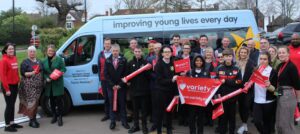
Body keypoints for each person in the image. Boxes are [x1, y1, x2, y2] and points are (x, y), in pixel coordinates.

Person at [104, 44, 130, 130]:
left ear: (119, 51)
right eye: (113, 51)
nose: (115, 52)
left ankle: (124, 121)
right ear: (111, 51)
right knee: (112, 105)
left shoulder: (123, 60)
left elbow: (126, 74)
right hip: (111, 87)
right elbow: (106, 75)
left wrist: (120, 85)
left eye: (116, 51)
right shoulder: (107, 61)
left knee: (122, 104)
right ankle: (112, 122)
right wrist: (113, 85)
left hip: (121, 87)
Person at [216, 48, 242, 134]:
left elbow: (239, 82)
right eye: (226, 56)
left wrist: (226, 81)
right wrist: (218, 94)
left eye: (230, 56)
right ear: (223, 57)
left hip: (233, 98)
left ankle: (231, 132)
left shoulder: (237, 68)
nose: (228, 58)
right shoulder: (219, 68)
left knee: (232, 118)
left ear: (232, 57)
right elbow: (215, 83)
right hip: (222, 97)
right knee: (223, 118)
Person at [126, 46, 151, 134]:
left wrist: (146, 70)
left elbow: (150, 77)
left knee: (144, 111)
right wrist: (127, 82)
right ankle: (136, 126)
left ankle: (144, 126)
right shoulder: (130, 63)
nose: (137, 53)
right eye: (136, 51)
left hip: (144, 91)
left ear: (142, 52)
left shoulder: (146, 63)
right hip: (134, 91)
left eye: (139, 51)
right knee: (135, 110)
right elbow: (127, 76)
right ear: (134, 52)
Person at [276, 46, 300, 134]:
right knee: (280, 122)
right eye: (279, 53)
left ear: (288, 54)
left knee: (286, 123)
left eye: (283, 52)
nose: (281, 54)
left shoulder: (291, 67)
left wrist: (298, 101)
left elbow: (297, 85)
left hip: (288, 95)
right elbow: (278, 83)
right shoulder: (280, 65)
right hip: (280, 94)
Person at [252, 51, 277, 134]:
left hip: (268, 101)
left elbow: (277, 92)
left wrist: (270, 86)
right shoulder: (255, 70)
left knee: (267, 123)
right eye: (261, 59)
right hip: (257, 100)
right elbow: (252, 83)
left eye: (265, 59)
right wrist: (248, 84)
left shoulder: (273, 71)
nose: (262, 61)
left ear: (269, 60)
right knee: (257, 121)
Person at [155, 46, 178, 134]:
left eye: (169, 51)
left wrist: (176, 93)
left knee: (170, 111)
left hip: (171, 92)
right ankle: (159, 130)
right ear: (162, 54)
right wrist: (171, 79)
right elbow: (159, 80)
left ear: (171, 53)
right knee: (160, 112)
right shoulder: (159, 64)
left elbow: (176, 78)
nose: (167, 53)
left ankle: (169, 128)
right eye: (165, 52)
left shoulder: (173, 63)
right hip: (161, 92)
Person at [18, 46, 43, 128]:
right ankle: (32, 120)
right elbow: (23, 73)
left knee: (36, 103)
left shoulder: (39, 61)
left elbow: (42, 70)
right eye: (30, 51)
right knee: (31, 103)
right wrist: (32, 72)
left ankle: (34, 118)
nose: (32, 53)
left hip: (38, 86)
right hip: (29, 87)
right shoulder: (25, 62)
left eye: (33, 51)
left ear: (35, 52)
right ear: (28, 53)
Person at [0, 43, 23, 132]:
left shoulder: (14, 58)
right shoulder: (3, 60)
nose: (11, 50)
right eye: (9, 49)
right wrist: (7, 89)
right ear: (6, 50)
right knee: (9, 106)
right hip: (8, 86)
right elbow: (3, 76)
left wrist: (19, 80)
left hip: (14, 85)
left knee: (12, 105)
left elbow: (16, 71)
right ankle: (7, 126)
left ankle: (12, 123)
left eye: (12, 49)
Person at [42, 44, 66, 127]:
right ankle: (54, 116)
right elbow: (43, 72)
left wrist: (58, 74)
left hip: (57, 83)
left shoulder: (59, 59)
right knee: (51, 101)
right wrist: (46, 78)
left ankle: (60, 117)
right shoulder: (44, 61)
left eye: (52, 51)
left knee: (59, 101)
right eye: (49, 51)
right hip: (49, 84)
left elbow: (64, 69)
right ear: (46, 51)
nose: (50, 52)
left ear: (54, 51)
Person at [236, 46, 256, 134]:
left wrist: (248, 84)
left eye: (245, 52)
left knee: (246, 106)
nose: (243, 54)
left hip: (248, 90)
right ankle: (244, 124)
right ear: (239, 53)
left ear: (247, 54)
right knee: (240, 107)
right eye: (241, 52)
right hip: (238, 90)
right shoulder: (236, 63)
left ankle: (245, 124)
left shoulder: (251, 63)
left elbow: (254, 77)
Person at [187, 55, 210, 134]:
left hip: (202, 100)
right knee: (191, 118)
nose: (198, 62)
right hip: (191, 100)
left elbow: (209, 84)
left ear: (203, 62)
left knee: (201, 118)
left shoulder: (206, 72)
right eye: (197, 61)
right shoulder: (189, 72)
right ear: (194, 62)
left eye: (200, 61)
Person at [147, 42, 162, 132]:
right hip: (154, 85)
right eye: (155, 48)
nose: (157, 50)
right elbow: (148, 72)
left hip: (164, 86)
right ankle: (155, 123)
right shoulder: (149, 59)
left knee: (164, 104)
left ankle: (164, 122)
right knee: (155, 105)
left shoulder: (166, 58)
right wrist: (156, 77)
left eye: (159, 48)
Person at [98, 38, 112, 122]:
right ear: (103, 45)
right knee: (106, 98)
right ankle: (107, 114)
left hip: (111, 80)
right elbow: (99, 67)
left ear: (110, 44)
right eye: (106, 43)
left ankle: (113, 114)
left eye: (108, 43)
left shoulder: (113, 53)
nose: (107, 45)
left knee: (112, 97)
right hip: (103, 80)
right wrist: (100, 78)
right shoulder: (100, 54)